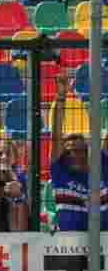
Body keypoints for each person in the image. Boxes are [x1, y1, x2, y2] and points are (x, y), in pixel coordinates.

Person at [48, 70, 108, 231]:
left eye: (81, 149)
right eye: (70, 150)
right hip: (69, 245)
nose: (76, 154)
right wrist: (61, 96)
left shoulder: (102, 164)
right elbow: (56, 132)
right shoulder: (60, 171)